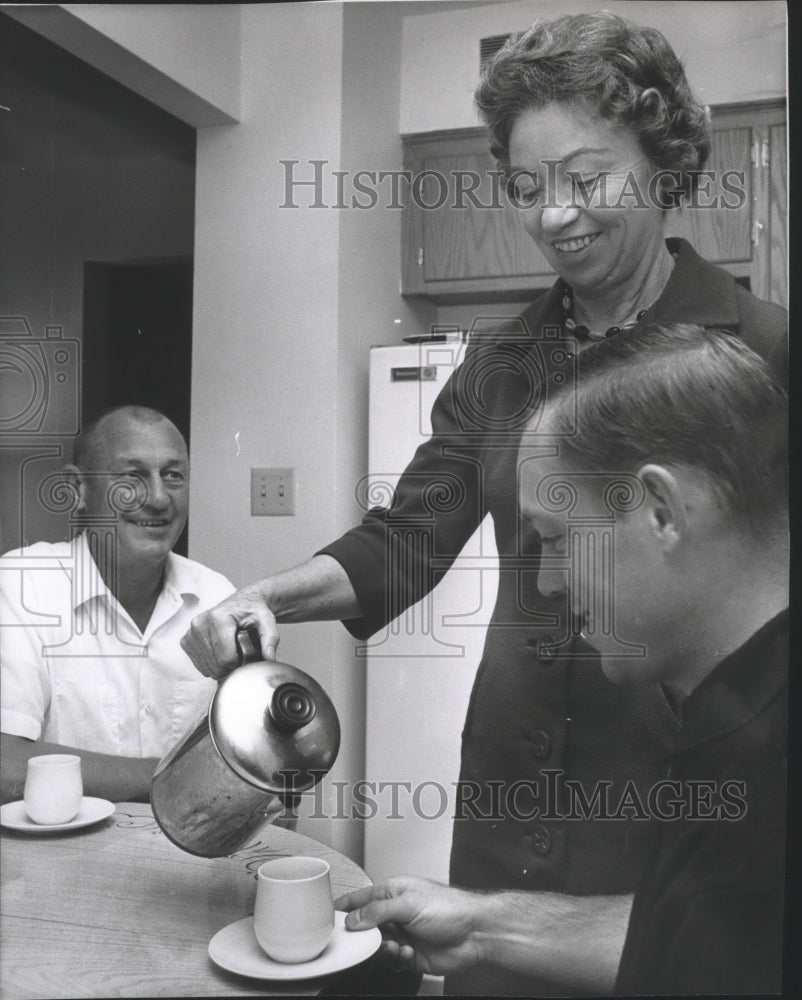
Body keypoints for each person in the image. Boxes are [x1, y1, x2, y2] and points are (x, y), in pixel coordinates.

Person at [181, 13, 787, 994]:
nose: (554, 215)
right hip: (505, 809)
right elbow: (410, 533)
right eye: (523, 187)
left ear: (662, 160)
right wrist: (272, 598)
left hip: (680, 804)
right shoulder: (500, 361)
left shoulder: (762, 351)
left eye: (585, 179)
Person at [337, 324, 788, 996]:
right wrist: (483, 925)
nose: (546, 580)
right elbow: (719, 938)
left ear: (660, 511)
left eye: (555, 538)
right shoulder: (738, 709)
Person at [0, 405, 235, 804]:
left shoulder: (217, 597)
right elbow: (6, 768)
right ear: (77, 490)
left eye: (173, 475)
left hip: (189, 858)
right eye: (133, 476)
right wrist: (176, 778)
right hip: (56, 858)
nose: (159, 498)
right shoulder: (21, 586)